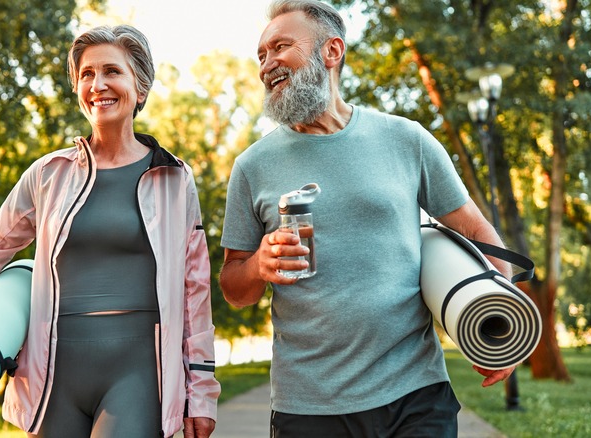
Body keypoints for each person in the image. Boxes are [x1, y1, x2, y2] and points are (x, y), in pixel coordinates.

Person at [219, 1, 516, 436]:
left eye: (281, 47)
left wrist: (500, 325)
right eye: (261, 55)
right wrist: (259, 265)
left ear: (332, 51)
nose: (267, 64)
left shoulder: (405, 138)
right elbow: (233, 287)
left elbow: (475, 231)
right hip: (309, 403)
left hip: (416, 392)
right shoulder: (251, 167)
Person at [0, 24, 219, 438]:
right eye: (86, 74)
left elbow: (195, 290)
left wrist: (202, 391)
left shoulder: (174, 179)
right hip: (53, 376)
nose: (97, 84)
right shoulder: (47, 174)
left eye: (111, 71)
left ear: (139, 88)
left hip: (139, 372)